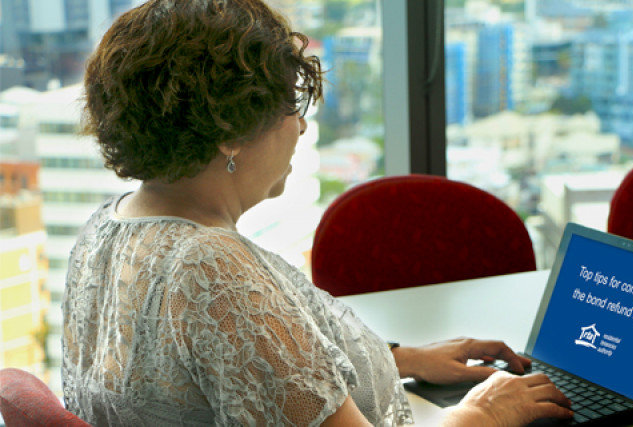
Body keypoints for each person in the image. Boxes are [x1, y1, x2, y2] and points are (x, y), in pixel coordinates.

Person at [61, 1, 574, 426]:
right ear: (230, 132)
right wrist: (485, 412)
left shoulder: (106, 228)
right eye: (290, 107)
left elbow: (222, 367)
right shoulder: (210, 266)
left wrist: (404, 361)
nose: (301, 129)